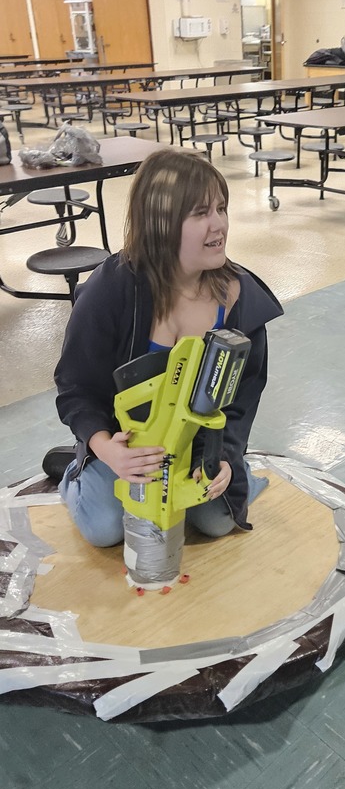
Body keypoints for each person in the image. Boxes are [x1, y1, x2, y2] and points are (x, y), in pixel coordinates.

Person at [44, 147, 283, 547]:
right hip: (127, 442)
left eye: (221, 208)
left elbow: (242, 399)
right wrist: (105, 447)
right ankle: (76, 470)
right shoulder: (113, 289)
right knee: (105, 529)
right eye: (200, 213)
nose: (219, 224)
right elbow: (76, 386)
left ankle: (235, 473)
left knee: (217, 522)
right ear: (160, 224)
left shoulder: (241, 301)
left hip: (199, 443)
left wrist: (224, 457)